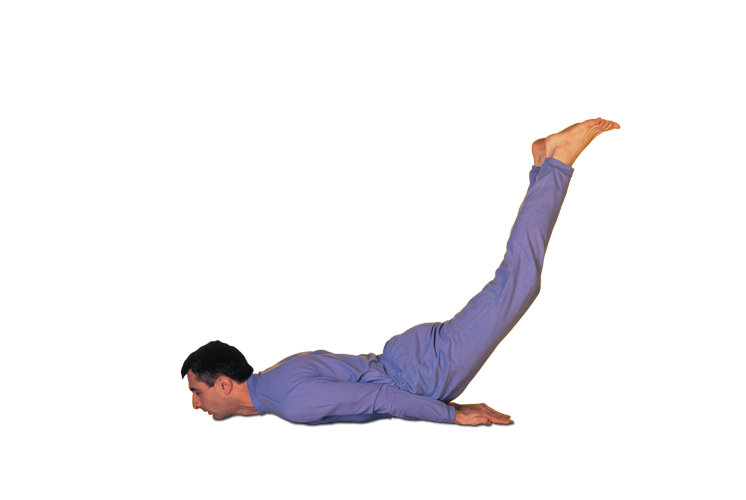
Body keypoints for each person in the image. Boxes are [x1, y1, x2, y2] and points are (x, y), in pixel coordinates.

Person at [181, 117, 620, 426]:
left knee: (518, 281)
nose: (197, 405)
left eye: (197, 392)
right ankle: (543, 166)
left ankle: (558, 162)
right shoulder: (277, 382)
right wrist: (447, 408)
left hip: (424, 373)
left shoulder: (291, 400)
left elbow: (380, 398)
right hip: (413, 363)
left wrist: (451, 415)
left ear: (223, 385)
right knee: (514, 282)